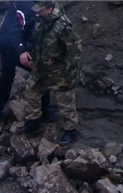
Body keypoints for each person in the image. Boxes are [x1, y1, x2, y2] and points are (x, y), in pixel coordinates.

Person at [18, 1, 81, 144]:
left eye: (40, 10)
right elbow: (35, 39)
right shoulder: (41, 20)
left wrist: (67, 69)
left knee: (65, 100)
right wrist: (31, 54)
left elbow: (75, 49)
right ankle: (33, 122)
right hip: (40, 66)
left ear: (49, 9)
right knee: (31, 91)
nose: (37, 13)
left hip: (59, 70)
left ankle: (71, 130)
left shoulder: (62, 25)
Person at [0, 2, 39, 123]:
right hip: (10, 43)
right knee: (38, 70)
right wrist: (22, 50)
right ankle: (42, 113)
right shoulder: (27, 5)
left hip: (6, 40)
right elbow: (15, 30)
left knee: (7, 75)